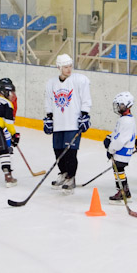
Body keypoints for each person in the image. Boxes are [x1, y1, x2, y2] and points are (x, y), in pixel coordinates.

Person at [44, 53, 91, 194]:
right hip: (58, 124)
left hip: (73, 124)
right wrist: (49, 117)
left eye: (70, 66)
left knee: (71, 153)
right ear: (59, 67)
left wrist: (85, 114)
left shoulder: (79, 80)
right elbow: (49, 101)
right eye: (65, 67)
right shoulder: (51, 83)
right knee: (58, 151)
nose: (69, 69)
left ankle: (71, 177)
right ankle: (63, 173)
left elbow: (86, 98)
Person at [104, 91, 136, 202]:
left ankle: (123, 192)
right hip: (120, 150)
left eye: (121, 105)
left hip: (122, 150)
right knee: (118, 169)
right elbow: (117, 133)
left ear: (127, 105)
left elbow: (121, 140)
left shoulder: (127, 121)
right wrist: (109, 137)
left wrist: (111, 149)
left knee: (118, 169)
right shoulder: (124, 119)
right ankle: (124, 191)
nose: (118, 107)